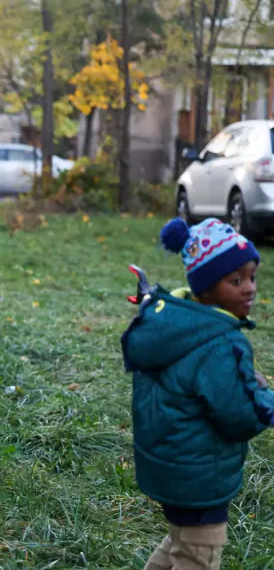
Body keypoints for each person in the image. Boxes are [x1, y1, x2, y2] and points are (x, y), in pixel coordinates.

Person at [122, 218, 274, 569]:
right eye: (235, 280)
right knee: (198, 555)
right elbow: (241, 415)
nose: (249, 288)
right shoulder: (220, 342)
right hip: (200, 477)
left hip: (170, 467)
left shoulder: (176, 322)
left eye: (252, 277)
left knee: (182, 542)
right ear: (205, 288)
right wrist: (266, 398)